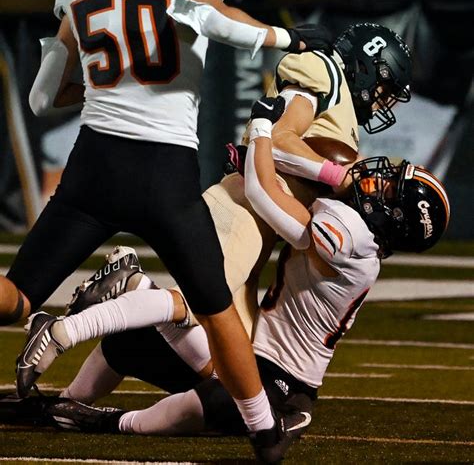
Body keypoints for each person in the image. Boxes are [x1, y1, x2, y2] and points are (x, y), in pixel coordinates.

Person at [8, 97, 450, 464]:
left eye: (389, 191)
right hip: (250, 347)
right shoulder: (358, 236)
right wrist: (264, 162)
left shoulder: (351, 240)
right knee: (137, 340)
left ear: (395, 221)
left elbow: (265, 195)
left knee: (219, 386)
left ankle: (109, 414)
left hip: (283, 380)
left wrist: (260, 129)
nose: (379, 180)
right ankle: (60, 407)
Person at [1, 0, 337, 461]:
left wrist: (114, 83)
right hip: (163, 172)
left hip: (93, 169)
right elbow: (219, 21)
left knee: (15, 298)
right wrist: (289, 39)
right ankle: (265, 433)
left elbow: (41, 100)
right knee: (217, 309)